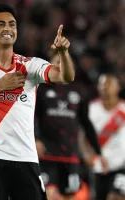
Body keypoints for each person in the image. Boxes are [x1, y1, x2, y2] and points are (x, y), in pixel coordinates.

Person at [0, 4, 75, 200]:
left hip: (25, 156)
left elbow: (65, 76)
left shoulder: (30, 65)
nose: (7, 28)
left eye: (12, 24)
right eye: (0, 24)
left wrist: (63, 53)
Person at [35, 53, 107, 200]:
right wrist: (35, 138)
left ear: (71, 67)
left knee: (69, 196)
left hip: (70, 154)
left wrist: (98, 152)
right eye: (56, 61)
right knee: (46, 194)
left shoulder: (79, 92)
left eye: (64, 62)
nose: (60, 65)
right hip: (47, 154)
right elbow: (32, 118)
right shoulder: (41, 89)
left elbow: (86, 123)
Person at [83, 74, 125, 200]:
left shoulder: (123, 109)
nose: (105, 87)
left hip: (121, 166)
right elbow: (83, 137)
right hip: (98, 166)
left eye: (109, 84)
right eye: (102, 84)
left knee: (116, 197)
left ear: (118, 88)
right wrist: (86, 155)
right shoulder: (90, 108)